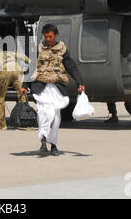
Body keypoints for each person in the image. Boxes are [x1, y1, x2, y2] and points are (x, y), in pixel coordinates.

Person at [21, 24, 85, 157]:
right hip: (41, 87)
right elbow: (32, 66)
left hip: (56, 87)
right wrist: (24, 85)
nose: (48, 39)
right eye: (46, 37)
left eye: (50, 36)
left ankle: (54, 144)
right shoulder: (39, 48)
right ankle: (43, 143)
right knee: (44, 114)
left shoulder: (62, 49)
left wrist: (80, 82)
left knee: (55, 118)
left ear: (55, 35)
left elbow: (71, 66)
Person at [0, 50, 30, 130]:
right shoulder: (10, 53)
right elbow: (26, 59)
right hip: (17, 70)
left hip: (4, 72)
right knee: (22, 95)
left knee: (0, 98)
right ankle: (26, 120)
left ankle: (2, 125)